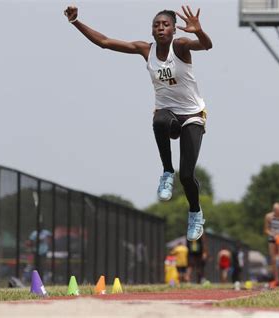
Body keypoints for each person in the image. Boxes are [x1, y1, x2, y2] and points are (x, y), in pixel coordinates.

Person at [64, 5, 213, 241]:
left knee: (186, 176)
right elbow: (104, 42)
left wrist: (200, 31)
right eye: (156, 25)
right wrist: (76, 22)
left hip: (192, 115)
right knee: (160, 119)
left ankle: (195, 212)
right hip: (169, 115)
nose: (161, 28)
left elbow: (206, 45)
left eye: (165, 25)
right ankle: (166, 172)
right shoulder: (146, 50)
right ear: (152, 32)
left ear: (174, 30)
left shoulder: (181, 46)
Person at [264, 202, 279, 287]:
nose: (275, 211)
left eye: (277, 209)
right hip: (272, 239)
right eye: (274, 209)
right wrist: (273, 235)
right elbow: (266, 229)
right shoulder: (268, 216)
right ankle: (276, 279)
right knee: (273, 259)